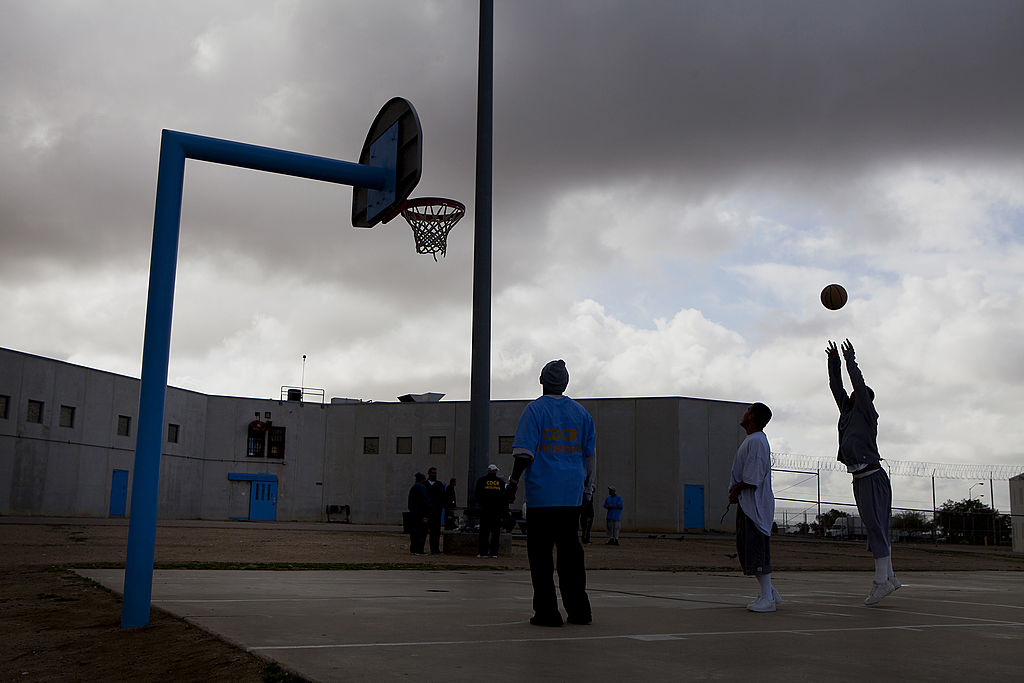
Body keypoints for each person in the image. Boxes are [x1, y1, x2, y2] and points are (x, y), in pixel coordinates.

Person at [506, 359, 596, 627]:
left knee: (541, 556)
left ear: (542, 381)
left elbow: (524, 452)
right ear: (566, 383)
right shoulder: (582, 414)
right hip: (571, 496)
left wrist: (512, 482)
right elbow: (590, 457)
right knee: (570, 555)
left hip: (542, 497)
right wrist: (588, 491)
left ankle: (547, 612)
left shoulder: (534, 411)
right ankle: (579, 611)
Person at [827, 338, 901, 605]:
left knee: (876, 528)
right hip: (861, 478)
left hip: (872, 476)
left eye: (859, 393)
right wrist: (833, 361)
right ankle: (890, 577)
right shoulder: (847, 413)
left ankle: (881, 581)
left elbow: (856, 384)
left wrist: (850, 360)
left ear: (866, 399)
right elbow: (837, 387)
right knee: (877, 528)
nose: (853, 394)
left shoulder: (868, 413)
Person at [728, 402, 779, 612]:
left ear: (753, 417)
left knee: (756, 549)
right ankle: (770, 592)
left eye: (747, 411)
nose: (744, 414)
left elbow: (752, 477)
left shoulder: (757, 442)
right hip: (747, 503)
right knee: (747, 548)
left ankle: (767, 598)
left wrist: (735, 490)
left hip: (755, 504)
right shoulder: (752, 441)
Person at [475, 464, 506, 558]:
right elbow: (503, 496)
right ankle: (494, 553)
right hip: (496, 511)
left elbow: (477, 494)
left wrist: (483, 504)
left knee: (484, 532)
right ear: (494, 471)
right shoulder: (500, 482)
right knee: (495, 533)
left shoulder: (481, 481)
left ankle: (483, 552)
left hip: (485, 510)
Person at [407, 472, 431, 555]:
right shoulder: (422, 487)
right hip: (422, 514)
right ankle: (419, 550)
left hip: (414, 513)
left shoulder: (413, 487)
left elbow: (410, 503)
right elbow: (426, 501)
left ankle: (413, 549)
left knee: (414, 532)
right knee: (422, 532)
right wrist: (429, 510)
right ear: (422, 479)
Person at [425, 467, 446, 554]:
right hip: (427, 512)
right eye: (433, 473)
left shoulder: (439, 484)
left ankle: (435, 549)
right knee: (424, 530)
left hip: (437, 512)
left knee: (436, 532)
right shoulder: (425, 485)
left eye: (435, 473)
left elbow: (443, 497)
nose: (434, 475)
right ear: (429, 474)